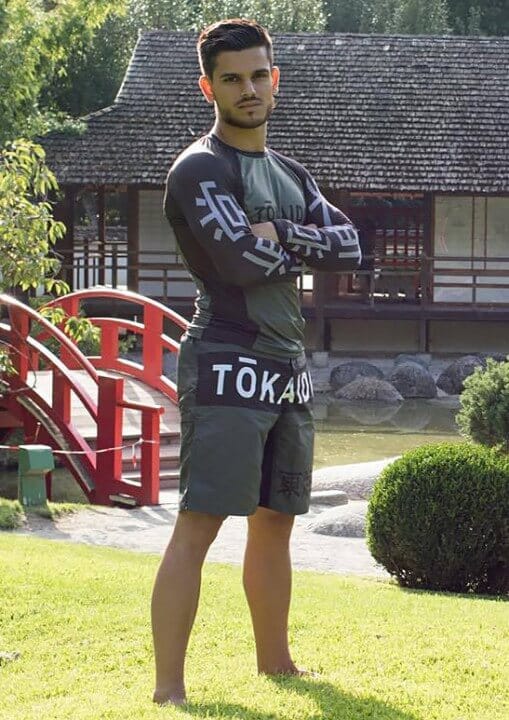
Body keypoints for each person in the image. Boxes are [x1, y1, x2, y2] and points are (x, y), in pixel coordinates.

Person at [151, 18, 361, 706]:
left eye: (258, 75)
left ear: (276, 79)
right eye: (232, 78)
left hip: (287, 365)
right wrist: (295, 244)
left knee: (276, 520)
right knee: (201, 521)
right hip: (225, 357)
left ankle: (277, 664)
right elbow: (240, 261)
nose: (248, 89)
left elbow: (352, 248)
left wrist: (281, 231)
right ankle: (169, 690)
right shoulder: (199, 168)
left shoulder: (291, 173)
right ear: (207, 87)